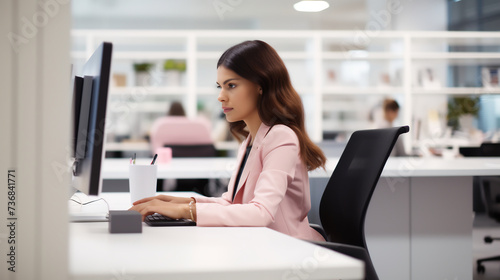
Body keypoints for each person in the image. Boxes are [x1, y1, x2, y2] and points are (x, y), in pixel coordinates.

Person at [130, 40, 327, 241]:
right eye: (220, 87)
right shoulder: (250, 140)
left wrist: (186, 210)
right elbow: (232, 203)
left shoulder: (281, 137)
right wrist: (176, 202)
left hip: (290, 248)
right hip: (262, 244)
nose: (221, 97)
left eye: (231, 85)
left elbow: (261, 213)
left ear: (261, 85)